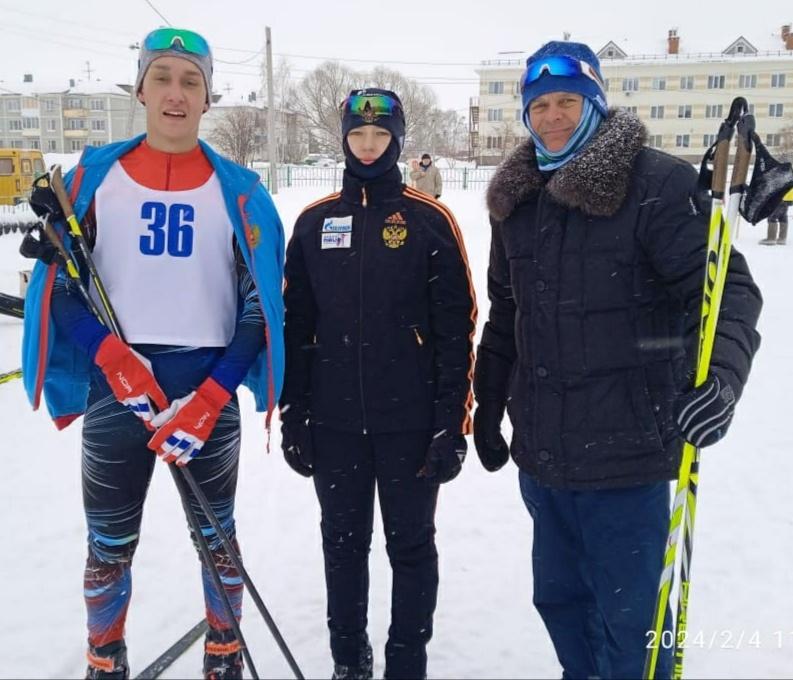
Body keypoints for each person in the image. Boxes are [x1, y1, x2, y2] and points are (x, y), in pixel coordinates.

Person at [472, 41, 762, 679]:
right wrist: (488, 405)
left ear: (596, 102)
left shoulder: (656, 184)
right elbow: (504, 313)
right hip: (544, 455)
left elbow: (727, 291)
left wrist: (723, 378)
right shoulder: (516, 201)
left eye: (567, 101)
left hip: (628, 455)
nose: (552, 116)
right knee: (561, 603)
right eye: (540, 104)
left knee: (632, 626)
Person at [20, 27, 285, 680]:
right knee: (107, 545)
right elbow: (59, 291)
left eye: (190, 81)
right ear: (140, 88)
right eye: (162, 77)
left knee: (216, 540)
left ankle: (224, 653)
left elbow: (261, 311)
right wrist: (111, 356)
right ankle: (103, 659)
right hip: (120, 388)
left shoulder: (242, 190)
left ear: (208, 95)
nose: (175, 93)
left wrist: (213, 398)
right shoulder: (90, 177)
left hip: (205, 391)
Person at [280, 88, 476, 679]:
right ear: (343, 139)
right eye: (358, 135)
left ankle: (405, 663)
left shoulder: (429, 219)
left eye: (381, 135)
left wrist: (451, 422)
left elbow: (456, 328)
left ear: (398, 140)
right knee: (342, 549)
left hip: (410, 426)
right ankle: (348, 661)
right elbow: (296, 326)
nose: (368, 146)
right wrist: (295, 415)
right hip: (335, 425)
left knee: (411, 549)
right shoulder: (315, 223)